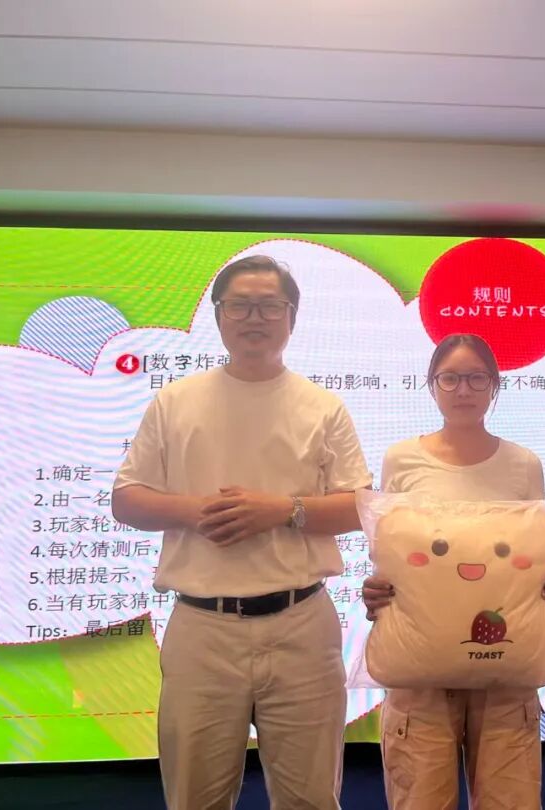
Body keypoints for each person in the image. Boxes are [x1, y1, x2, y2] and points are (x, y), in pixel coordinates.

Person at [112, 255, 371, 810]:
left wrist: (284, 510)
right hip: (202, 627)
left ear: (292, 317)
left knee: (310, 799)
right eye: (240, 305)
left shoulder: (322, 406)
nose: (255, 318)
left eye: (270, 306)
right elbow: (126, 499)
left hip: (302, 624)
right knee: (195, 797)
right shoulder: (175, 400)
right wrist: (198, 511)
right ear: (219, 315)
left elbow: (360, 507)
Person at [361, 333, 545, 810]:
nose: (463, 389)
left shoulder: (524, 464)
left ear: (495, 385)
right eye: (449, 378)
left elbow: (533, 553)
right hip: (421, 664)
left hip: (506, 660)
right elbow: (392, 550)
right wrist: (379, 589)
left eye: (476, 378)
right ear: (431, 384)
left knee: (510, 800)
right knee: (421, 799)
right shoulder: (401, 458)